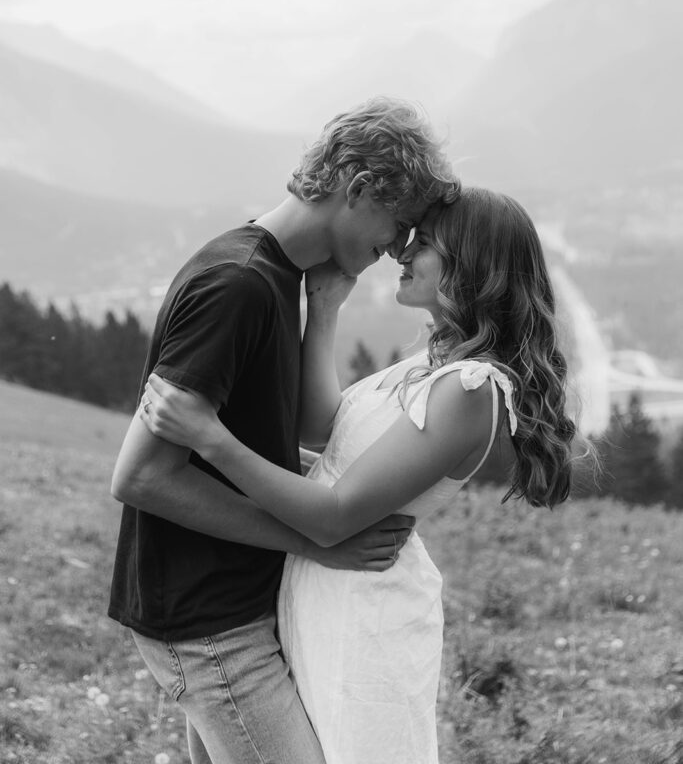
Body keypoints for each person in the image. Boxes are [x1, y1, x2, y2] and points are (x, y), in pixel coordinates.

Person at [140, 187, 579, 764]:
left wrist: (208, 438)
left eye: (422, 244)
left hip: (365, 611)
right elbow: (322, 429)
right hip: (320, 591)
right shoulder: (434, 364)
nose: (401, 252)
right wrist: (324, 313)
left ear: (470, 267)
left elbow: (336, 515)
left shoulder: (470, 390)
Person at [108, 97, 459, 764]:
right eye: (397, 225)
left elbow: (268, 426)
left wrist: (321, 313)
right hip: (207, 620)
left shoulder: (273, 275)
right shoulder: (237, 285)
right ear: (358, 189)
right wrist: (314, 542)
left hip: (229, 608)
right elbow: (143, 475)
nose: (394, 250)